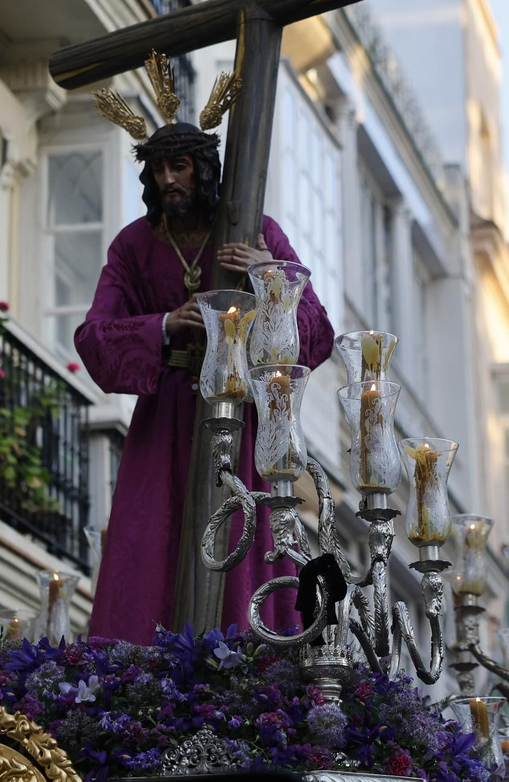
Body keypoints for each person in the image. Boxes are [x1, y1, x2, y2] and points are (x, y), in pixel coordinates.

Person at [74, 54, 334, 643]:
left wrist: (274, 278)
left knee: (247, 532)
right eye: (160, 169)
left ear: (204, 170)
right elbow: (94, 337)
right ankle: (146, 674)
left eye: (181, 167)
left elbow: (316, 335)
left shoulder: (255, 230)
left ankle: (250, 654)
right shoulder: (135, 246)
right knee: (153, 536)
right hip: (166, 413)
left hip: (242, 413)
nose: (169, 180)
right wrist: (165, 324)